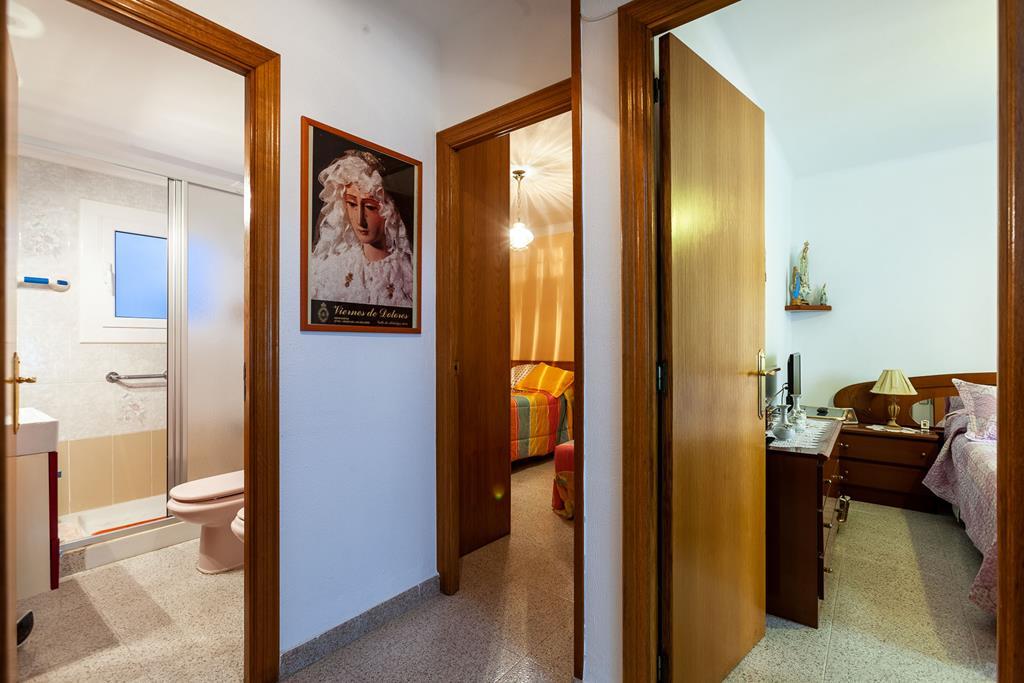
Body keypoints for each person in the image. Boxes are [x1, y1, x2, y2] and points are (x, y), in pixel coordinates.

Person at [309, 149, 414, 307]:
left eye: (370, 207)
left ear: (391, 211)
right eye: (352, 204)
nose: (360, 220)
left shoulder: (408, 273)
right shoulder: (331, 269)